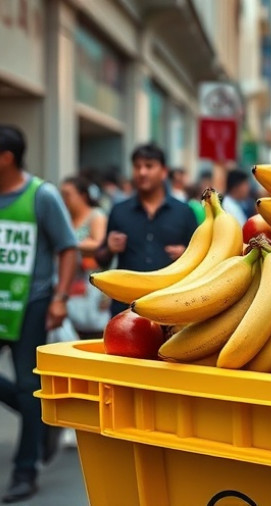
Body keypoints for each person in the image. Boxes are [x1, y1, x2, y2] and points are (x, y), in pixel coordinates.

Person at [0, 125, 77, 503]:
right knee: (29, 399)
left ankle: (25, 470)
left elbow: (68, 248)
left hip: (30, 304)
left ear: (6, 157)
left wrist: (59, 297)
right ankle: (39, 421)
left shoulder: (41, 196)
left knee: (30, 387)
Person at [94, 144, 198, 316]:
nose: (142, 172)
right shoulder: (119, 211)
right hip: (126, 307)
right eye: (137, 167)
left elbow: (201, 259)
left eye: (149, 166)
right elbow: (101, 259)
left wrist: (186, 255)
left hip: (171, 305)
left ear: (164, 171)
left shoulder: (184, 212)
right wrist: (110, 249)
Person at [60, 176, 110, 338]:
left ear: (82, 195)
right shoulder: (66, 218)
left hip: (91, 284)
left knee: (93, 330)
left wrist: (70, 245)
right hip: (71, 283)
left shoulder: (96, 216)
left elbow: (99, 244)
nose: (64, 199)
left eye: (68, 194)